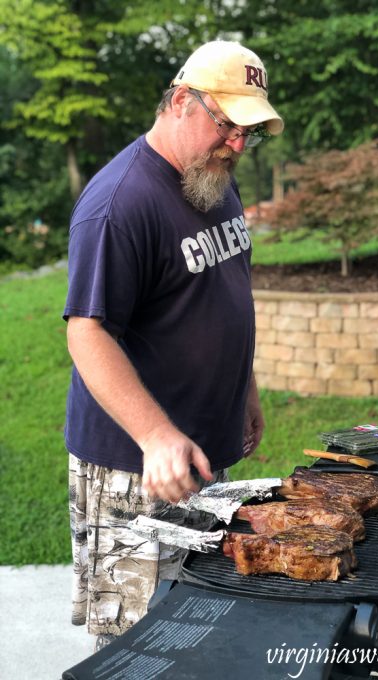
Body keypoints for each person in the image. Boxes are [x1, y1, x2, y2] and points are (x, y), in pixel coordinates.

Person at [63, 40, 284, 650]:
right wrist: (156, 436)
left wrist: (246, 389)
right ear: (182, 100)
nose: (238, 144)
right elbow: (86, 330)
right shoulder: (119, 204)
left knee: (201, 635)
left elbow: (222, 294)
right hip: (138, 469)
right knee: (139, 647)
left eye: (250, 131)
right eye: (228, 125)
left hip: (204, 457)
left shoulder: (212, 180)